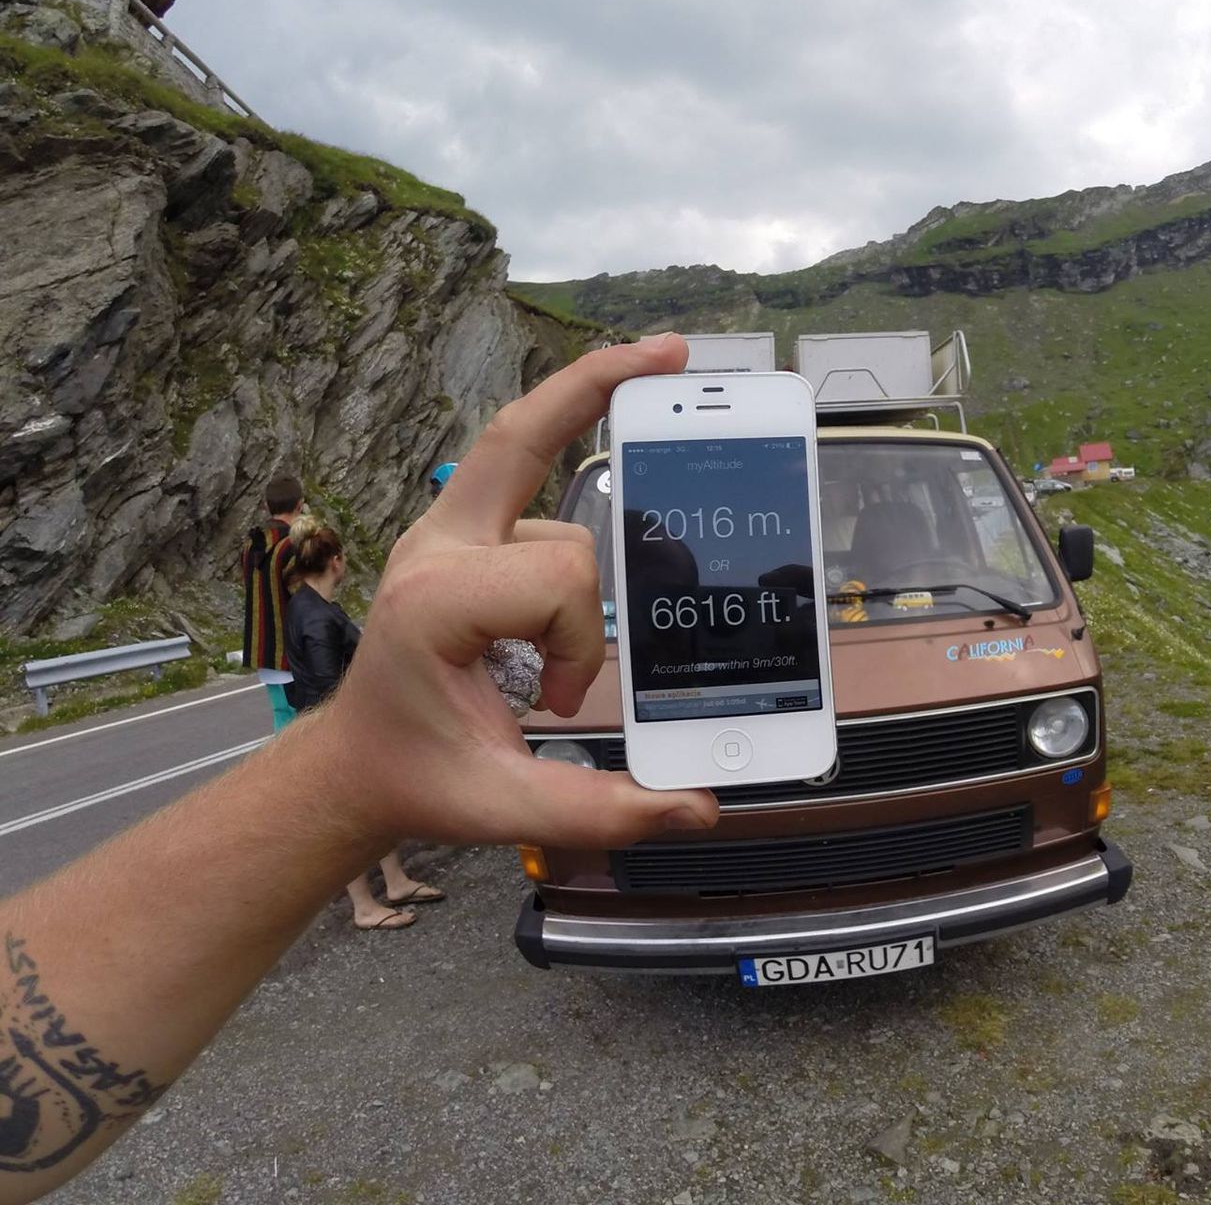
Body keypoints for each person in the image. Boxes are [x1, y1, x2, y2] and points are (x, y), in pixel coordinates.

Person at [0, 335, 716, 1204]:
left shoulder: (276, 569)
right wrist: (351, 758)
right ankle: (373, 892)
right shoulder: (308, 597)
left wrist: (352, 763)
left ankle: (377, 885)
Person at [283, 525, 449, 930]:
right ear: (334, 560)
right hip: (337, 731)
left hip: (330, 725)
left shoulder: (308, 604)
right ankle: (364, 907)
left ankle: (395, 882)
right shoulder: (317, 618)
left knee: (375, 812)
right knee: (349, 822)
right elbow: (328, 685)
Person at [239, 476, 305, 732]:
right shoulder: (293, 545)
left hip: (264, 651)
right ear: (300, 505)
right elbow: (302, 599)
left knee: (281, 717)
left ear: (267, 506)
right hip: (291, 652)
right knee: (303, 724)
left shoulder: (251, 544)